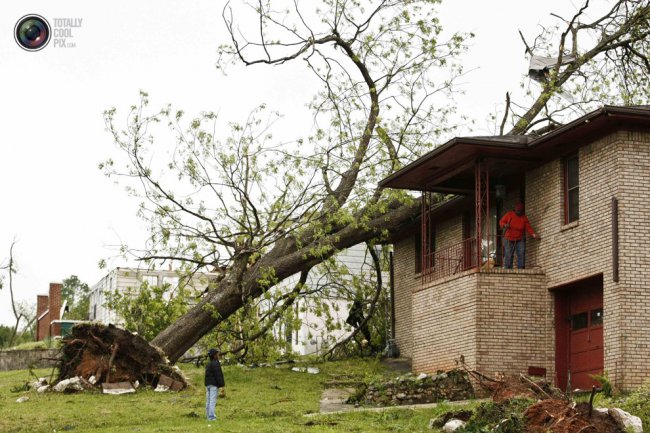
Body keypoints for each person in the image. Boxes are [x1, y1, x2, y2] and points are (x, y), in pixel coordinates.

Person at [499, 202, 540, 269]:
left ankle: (521, 268)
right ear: (515, 209)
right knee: (509, 254)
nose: (519, 212)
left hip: (520, 238)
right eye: (518, 211)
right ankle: (508, 268)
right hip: (508, 238)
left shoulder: (524, 218)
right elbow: (501, 222)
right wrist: (505, 225)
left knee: (521, 253)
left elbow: (528, 227)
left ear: (522, 211)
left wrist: (533, 234)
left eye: (520, 211)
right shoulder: (509, 214)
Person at [205, 348, 225, 422]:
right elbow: (218, 375)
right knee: (212, 401)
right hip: (214, 385)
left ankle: (208, 415)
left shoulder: (208, 364)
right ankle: (211, 417)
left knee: (208, 400)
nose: (218, 355)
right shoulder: (216, 364)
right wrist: (221, 385)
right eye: (217, 354)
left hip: (208, 385)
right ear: (214, 355)